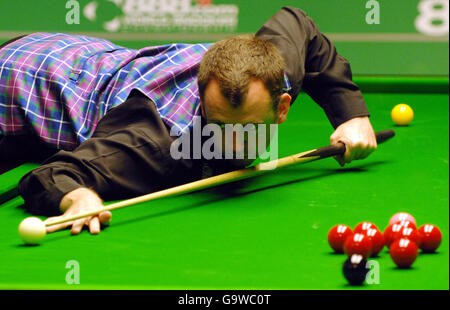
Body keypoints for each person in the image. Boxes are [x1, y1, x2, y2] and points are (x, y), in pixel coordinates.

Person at [0, 7, 376, 235]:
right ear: (202, 98)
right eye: (219, 128)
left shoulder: (272, 66)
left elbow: (298, 23)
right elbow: (49, 175)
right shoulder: (156, 140)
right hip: (17, 82)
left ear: (282, 107)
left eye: (248, 130)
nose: (232, 144)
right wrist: (79, 198)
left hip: (78, 58)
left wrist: (352, 114)